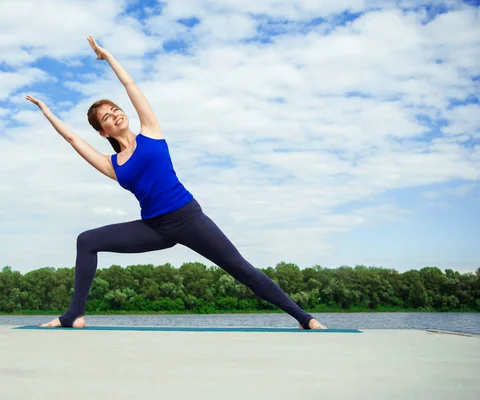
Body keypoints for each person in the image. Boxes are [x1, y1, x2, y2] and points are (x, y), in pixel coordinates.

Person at [26, 36, 327, 330]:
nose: (115, 115)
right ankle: (74, 315)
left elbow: (130, 86)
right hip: (154, 228)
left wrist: (109, 58)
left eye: (116, 110)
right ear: (102, 132)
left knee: (240, 269)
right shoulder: (112, 164)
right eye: (107, 117)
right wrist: (47, 112)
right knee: (87, 241)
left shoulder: (151, 131)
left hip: (188, 217)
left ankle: (305, 318)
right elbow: (71, 138)